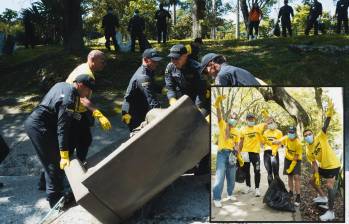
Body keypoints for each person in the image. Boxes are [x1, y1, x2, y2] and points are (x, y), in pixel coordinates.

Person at [24, 75, 95, 208]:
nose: (88, 94)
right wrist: (63, 153)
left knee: (51, 159)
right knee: (54, 163)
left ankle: (44, 185)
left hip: (39, 123)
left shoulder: (63, 85)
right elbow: (63, 127)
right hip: (39, 127)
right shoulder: (69, 100)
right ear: (80, 86)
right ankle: (55, 201)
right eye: (88, 90)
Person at [66, 50, 111, 162]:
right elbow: (82, 98)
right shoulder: (87, 74)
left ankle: (80, 162)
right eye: (102, 61)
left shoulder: (84, 67)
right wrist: (98, 114)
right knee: (73, 142)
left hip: (77, 110)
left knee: (85, 139)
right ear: (92, 60)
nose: (104, 64)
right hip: (73, 111)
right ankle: (59, 171)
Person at [304, 100, 341, 221]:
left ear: (313, 134)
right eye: (306, 135)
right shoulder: (308, 149)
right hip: (323, 166)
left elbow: (325, 125)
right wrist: (316, 174)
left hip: (333, 165)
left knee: (329, 185)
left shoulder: (321, 136)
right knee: (312, 181)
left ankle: (331, 212)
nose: (308, 136)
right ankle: (323, 197)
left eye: (309, 134)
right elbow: (314, 162)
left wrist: (329, 113)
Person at [212, 95, 244, 208]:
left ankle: (230, 194)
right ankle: (216, 198)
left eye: (235, 118)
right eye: (232, 117)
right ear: (229, 117)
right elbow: (219, 116)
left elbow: (236, 145)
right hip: (222, 153)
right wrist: (218, 104)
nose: (233, 119)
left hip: (232, 154)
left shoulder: (237, 131)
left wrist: (238, 155)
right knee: (220, 176)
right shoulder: (223, 125)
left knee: (231, 176)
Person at [121, 48, 163, 131]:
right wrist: (162, 115)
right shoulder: (143, 76)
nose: (157, 63)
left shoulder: (149, 70)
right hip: (131, 113)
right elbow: (152, 100)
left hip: (139, 106)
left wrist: (164, 89)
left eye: (157, 61)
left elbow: (151, 85)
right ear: (145, 60)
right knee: (138, 136)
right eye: (154, 61)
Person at [165, 44, 208, 114]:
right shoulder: (170, 67)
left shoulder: (197, 68)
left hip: (196, 99)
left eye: (176, 58)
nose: (173, 61)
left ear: (185, 56)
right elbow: (170, 87)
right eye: (172, 58)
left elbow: (201, 92)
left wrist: (197, 107)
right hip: (180, 99)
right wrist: (172, 99)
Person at [238, 113, 271, 197]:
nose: (251, 120)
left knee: (257, 171)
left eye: (252, 119)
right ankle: (248, 186)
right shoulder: (243, 129)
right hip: (245, 153)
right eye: (249, 119)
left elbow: (268, 122)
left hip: (255, 153)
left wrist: (265, 114)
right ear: (246, 120)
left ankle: (257, 189)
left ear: (254, 119)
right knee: (246, 171)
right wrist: (238, 152)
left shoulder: (258, 127)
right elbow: (241, 142)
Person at [273, 126, 302, 207]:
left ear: (295, 133)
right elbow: (278, 141)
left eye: (292, 132)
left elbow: (296, 158)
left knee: (296, 177)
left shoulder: (298, 143)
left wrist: (291, 168)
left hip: (296, 160)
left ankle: (298, 196)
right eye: (289, 132)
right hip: (287, 159)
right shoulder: (286, 138)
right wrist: (271, 142)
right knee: (290, 176)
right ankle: (291, 192)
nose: (290, 134)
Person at [262, 118, 283, 185]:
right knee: (269, 172)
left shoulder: (279, 132)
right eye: (268, 123)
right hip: (266, 153)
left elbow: (281, 144)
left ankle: (279, 190)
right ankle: (271, 190)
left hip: (274, 153)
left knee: (276, 173)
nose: (270, 124)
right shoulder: (265, 132)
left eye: (271, 122)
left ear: (274, 122)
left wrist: (276, 144)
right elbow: (262, 143)